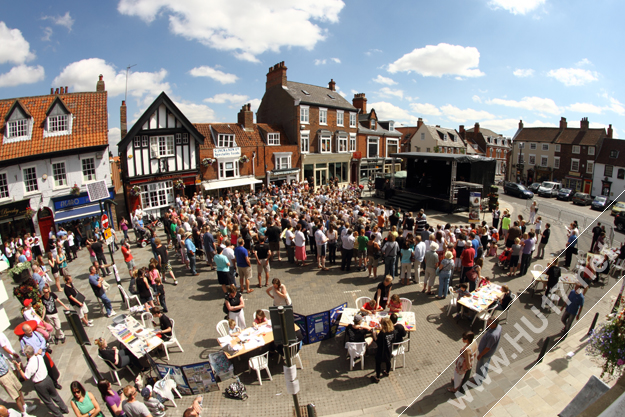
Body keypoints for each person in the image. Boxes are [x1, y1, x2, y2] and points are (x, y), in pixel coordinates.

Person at [15, 345, 68, 417]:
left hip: (40, 384)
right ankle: (64, 409)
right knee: (55, 395)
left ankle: (59, 415)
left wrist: (19, 369)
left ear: (27, 354)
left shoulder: (30, 365)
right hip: (47, 379)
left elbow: (26, 377)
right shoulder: (39, 357)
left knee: (48, 402)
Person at [469, 318, 502, 386]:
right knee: (486, 364)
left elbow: (487, 348)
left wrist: (480, 355)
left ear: (494, 324)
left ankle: (478, 381)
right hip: (490, 353)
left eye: (489, 322)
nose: (487, 323)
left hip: (485, 353)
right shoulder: (499, 327)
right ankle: (483, 375)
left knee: (480, 367)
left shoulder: (492, 335)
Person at [371, 317, 395, 383]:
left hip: (381, 351)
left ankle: (377, 377)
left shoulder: (382, 334)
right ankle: (387, 372)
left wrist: (374, 335)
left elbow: (378, 342)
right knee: (388, 361)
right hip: (388, 350)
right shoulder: (392, 331)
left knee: (378, 364)